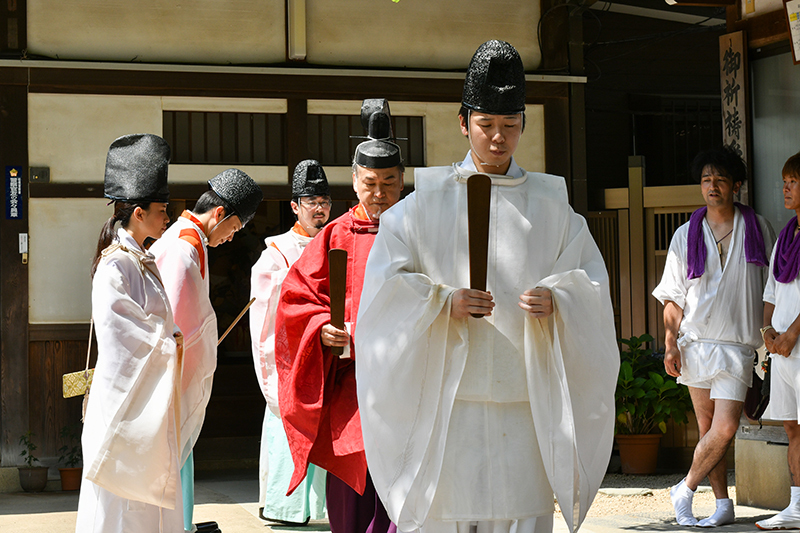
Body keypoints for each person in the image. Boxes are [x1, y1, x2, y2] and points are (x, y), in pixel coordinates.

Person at [354, 40, 618, 533]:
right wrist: (441, 300)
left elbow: (591, 284)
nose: (498, 137)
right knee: (447, 515)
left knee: (520, 517)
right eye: (486, 125)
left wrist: (558, 298)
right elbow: (385, 287)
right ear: (463, 123)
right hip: (449, 399)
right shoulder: (421, 206)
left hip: (524, 400)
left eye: (510, 125)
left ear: (523, 123)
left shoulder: (553, 208)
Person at [274, 99, 403, 533]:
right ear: (354, 181)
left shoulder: (417, 231)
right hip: (351, 386)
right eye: (370, 182)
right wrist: (322, 330)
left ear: (403, 181)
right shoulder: (335, 234)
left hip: (407, 387)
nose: (379, 192)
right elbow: (296, 300)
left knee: (403, 497)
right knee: (351, 499)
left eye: (389, 182)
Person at [651, 147, 774, 527]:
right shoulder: (685, 234)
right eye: (706, 179)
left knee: (724, 428)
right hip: (695, 343)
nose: (712, 186)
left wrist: (772, 334)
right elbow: (673, 296)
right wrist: (670, 343)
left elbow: (775, 286)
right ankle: (722, 505)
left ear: (736, 184)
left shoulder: (758, 228)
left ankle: (684, 488)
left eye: (720, 179)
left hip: (737, 346)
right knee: (708, 431)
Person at [76, 133, 184, 532]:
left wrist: (167, 337)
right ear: (139, 213)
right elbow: (120, 334)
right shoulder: (114, 265)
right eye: (162, 209)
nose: (167, 217)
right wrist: (167, 342)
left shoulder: (142, 260)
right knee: (122, 500)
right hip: (123, 400)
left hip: (146, 395)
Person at [150, 167, 263, 532]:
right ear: (219, 214)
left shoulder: (188, 244)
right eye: (233, 228)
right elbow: (173, 333)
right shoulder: (181, 251)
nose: (231, 238)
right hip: (172, 387)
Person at [250, 160, 331, 524]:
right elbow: (264, 325)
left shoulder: (337, 242)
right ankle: (284, 508)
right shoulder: (276, 254)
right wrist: (271, 379)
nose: (320, 208)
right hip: (290, 364)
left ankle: (323, 509)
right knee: (286, 433)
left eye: (325, 200)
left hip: (328, 358)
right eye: (311, 200)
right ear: (295, 206)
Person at [755, 152, 800, 530]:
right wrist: (767, 332)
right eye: (784, 181)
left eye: (794, 181)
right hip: (782, 350)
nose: (786, 187)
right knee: (792, 427)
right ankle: (797, 507)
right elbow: (771, 291)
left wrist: (792, 333)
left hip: (796, 344)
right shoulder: (786, 235)